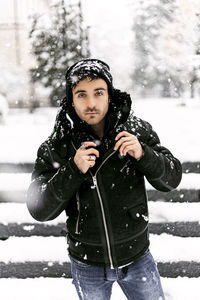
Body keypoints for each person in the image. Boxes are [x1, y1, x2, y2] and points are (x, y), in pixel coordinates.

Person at [27, 58, 182, 300]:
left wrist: (143, 153)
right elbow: (39, 209)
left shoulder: (134, 131)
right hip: (87, 264)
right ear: (71, 99)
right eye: (81, 94)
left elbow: (172, 178)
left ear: (109, 95)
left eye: (98, 93)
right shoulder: (57, 146)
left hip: (138, 257)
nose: (91, 103)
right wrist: (73, 170)